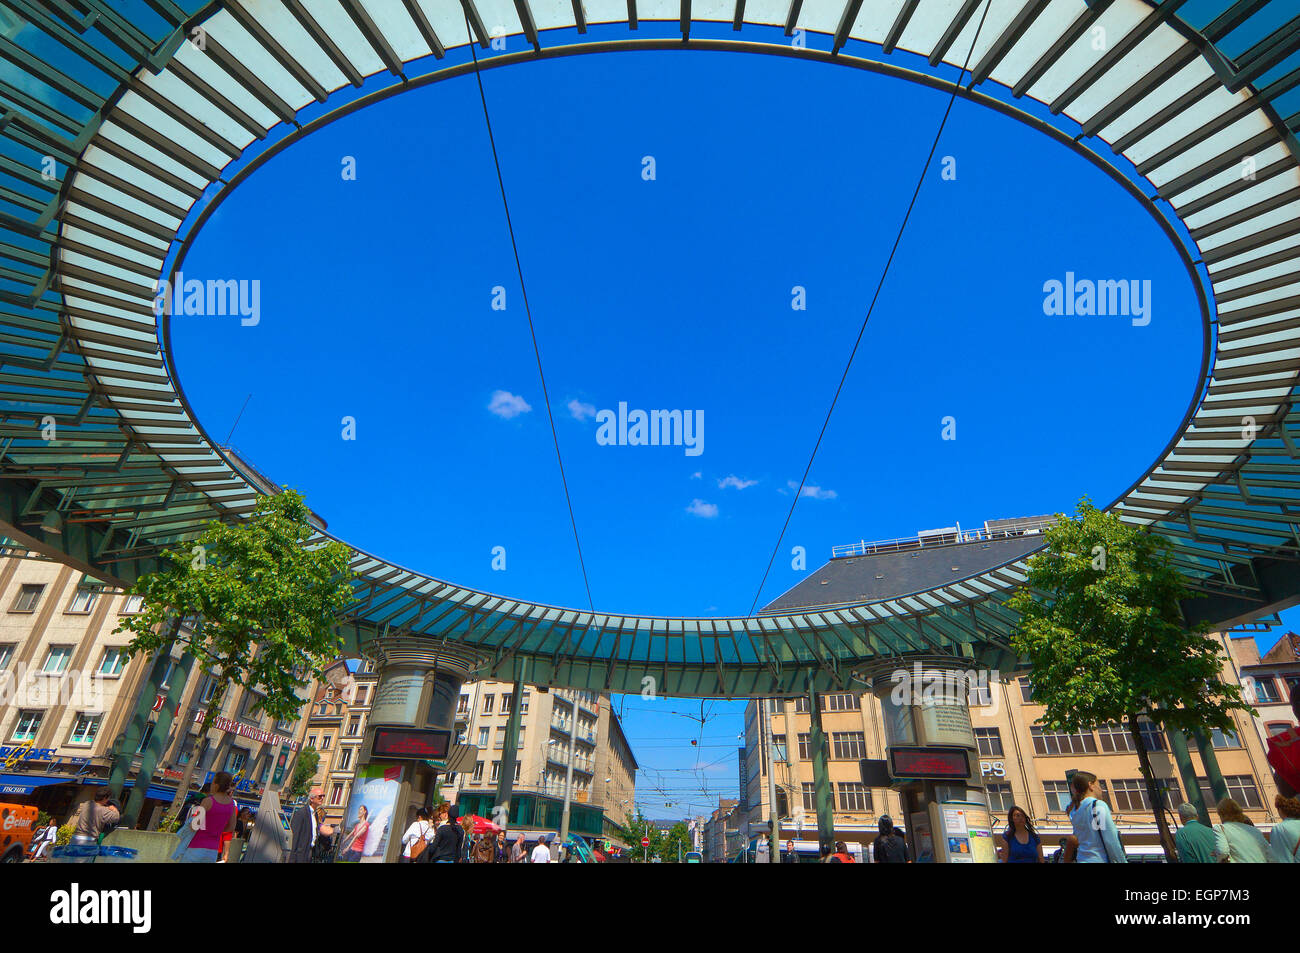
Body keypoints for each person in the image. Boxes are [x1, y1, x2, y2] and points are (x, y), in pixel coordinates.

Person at [1066, 771, 1126, 863]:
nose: (1101, 789)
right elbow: (1111, 840)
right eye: (1098, 785)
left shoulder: (1075, 811)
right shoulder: (1098, 806)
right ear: (1090, 785)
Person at [178, 770, 237, 862]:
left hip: (196, 846)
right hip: (212, 850)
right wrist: (216, 830)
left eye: (213, 781)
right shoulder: (231, 804)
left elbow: (194, 826)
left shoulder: (208, 801)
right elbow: (231, 827)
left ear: (216, 785)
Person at [1212, 797, 1274, 863]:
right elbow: (1272, 856)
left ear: (1222, 814)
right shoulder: (1255, 830)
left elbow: (1223, 851)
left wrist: (1218, 854)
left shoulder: (1221, 828)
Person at [288, 787, 323, 863]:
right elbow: (295, 836)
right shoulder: (301, 813)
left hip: (309, 852)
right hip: (300, 854)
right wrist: (292, 859)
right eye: (320, 796)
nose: (322, 798)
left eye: (323, 796)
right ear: (312, 799)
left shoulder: (315, 814)